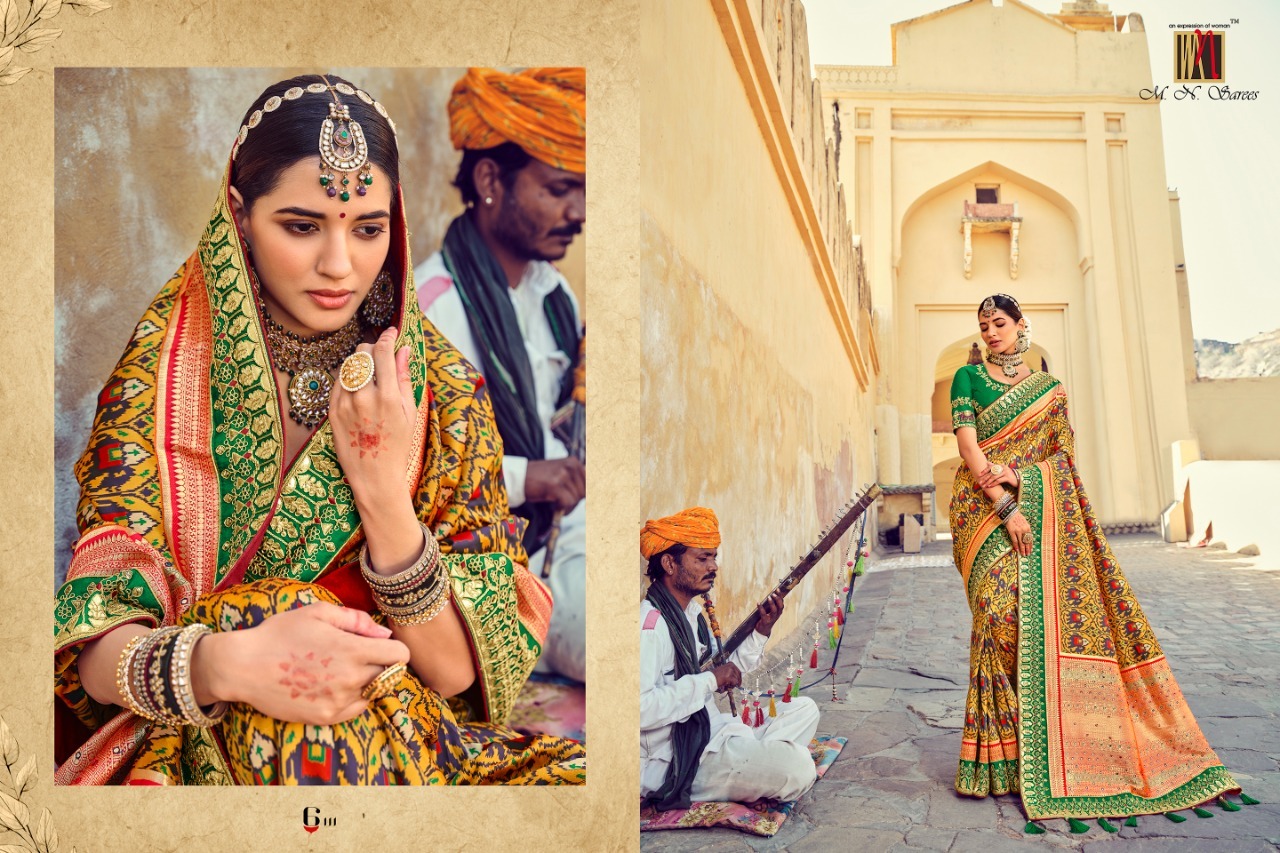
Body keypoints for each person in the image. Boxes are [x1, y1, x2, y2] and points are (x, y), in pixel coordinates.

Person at [53, 74, 585, 786]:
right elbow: (95, 642)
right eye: (301, 226)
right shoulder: (166, 367)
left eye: (369, 228)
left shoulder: (443, 393)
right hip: (194, 731)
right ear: (239, 214)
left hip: (388, 734)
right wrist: (228, 662)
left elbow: (459, 672)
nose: (340, 265)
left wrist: (382, 495)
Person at [949, 293, 1240, 822]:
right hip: (980, 507)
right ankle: (999, 753)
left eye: (999, 323)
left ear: (1020, 326)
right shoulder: (966, 378)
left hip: (1039, 506)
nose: (990, 332)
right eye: (984, 325)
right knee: (996, 612)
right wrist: (1005, 502)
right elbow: (971, 451)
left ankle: (1042, 743)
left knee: (1030, 619)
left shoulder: (1051, 391)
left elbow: (1061, 458)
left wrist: (1025, 479)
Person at [415, 67, 587, 683]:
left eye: (584, 191)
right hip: (480, 558)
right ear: (491, 180)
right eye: (560, 189)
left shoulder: (555, 297)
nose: (579, 212)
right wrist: (530, 478)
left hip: (564, 530)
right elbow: (415, 475)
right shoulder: (434, 306)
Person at [639, 507, 820, 810]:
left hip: (711, 732)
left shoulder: (692, 616)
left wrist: (762, 632)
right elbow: (639, 710)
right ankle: (755, 769)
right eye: (702, 558)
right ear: (670, 563)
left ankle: (753, 767)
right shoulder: (650, 626)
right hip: (675, 758)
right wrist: (710, 681)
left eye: (713, 557)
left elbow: (726, 670)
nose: (713, 567)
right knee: (799, 767)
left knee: (806, 709)